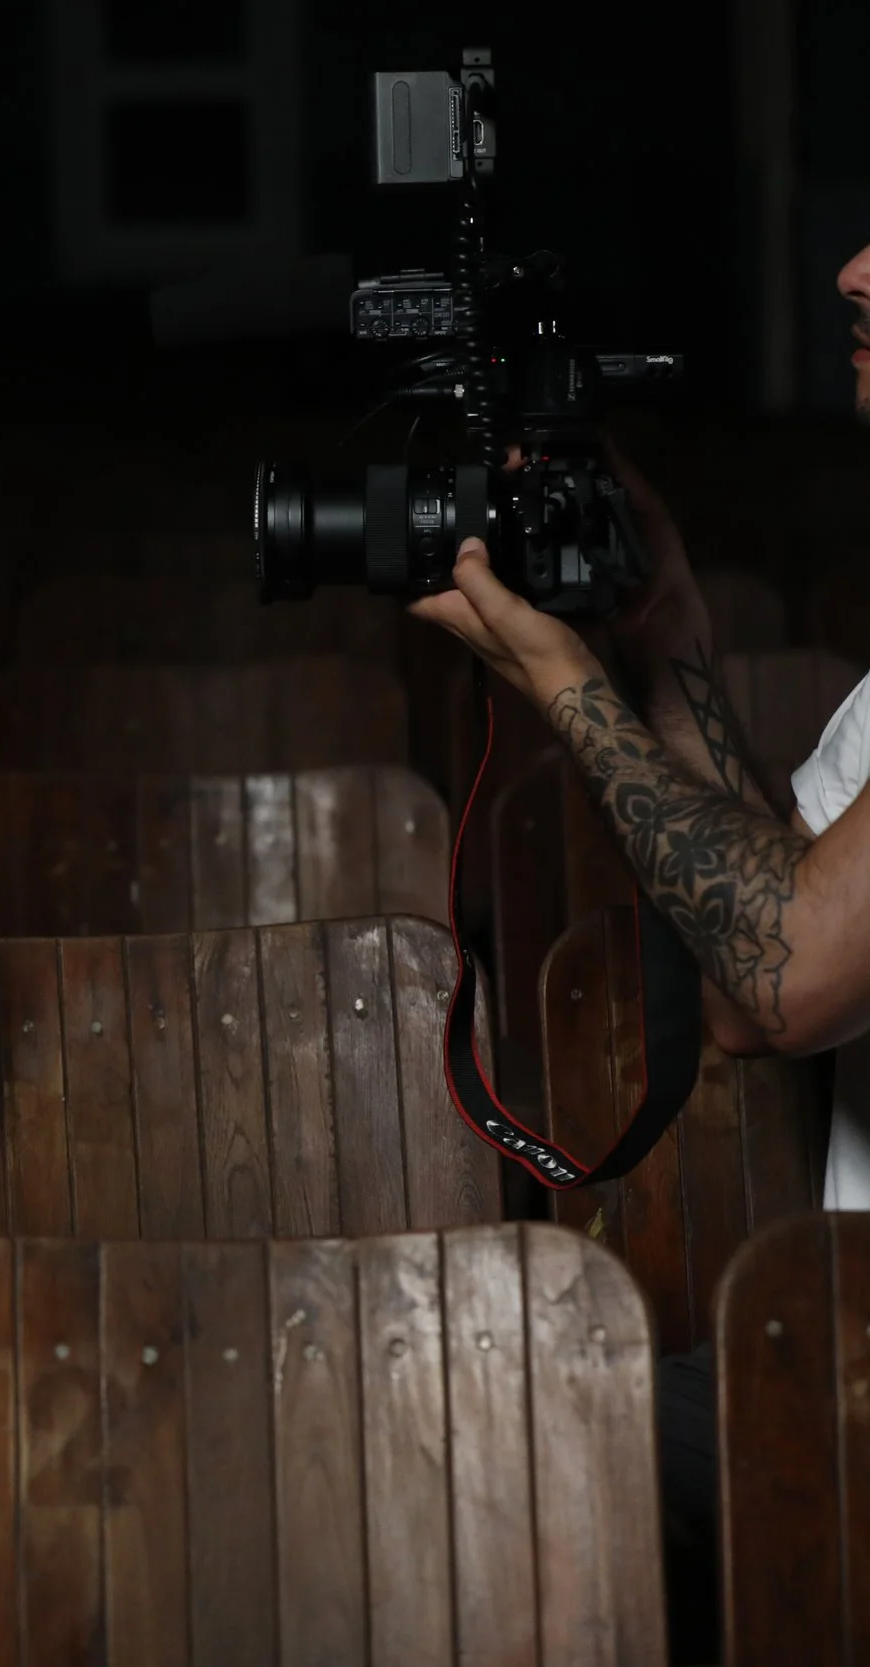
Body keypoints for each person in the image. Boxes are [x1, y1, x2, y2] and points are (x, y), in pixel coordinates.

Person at [411, 236, 870, 1664]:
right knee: (437, 1431)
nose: (850, 263)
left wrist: (559, 684)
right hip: (850, 1335)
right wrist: (657, 639)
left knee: (482, 1454)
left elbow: (783, 975)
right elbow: (757, 947)